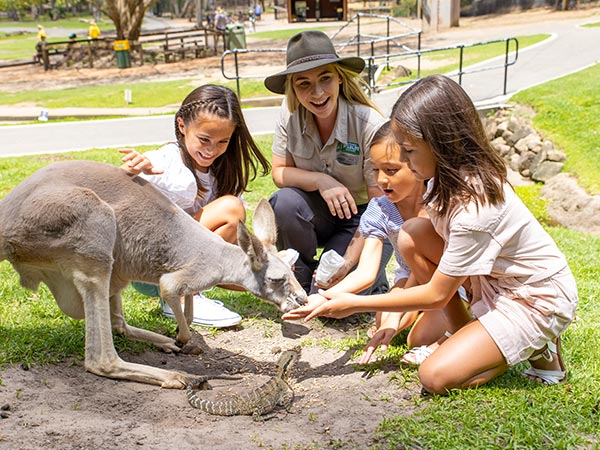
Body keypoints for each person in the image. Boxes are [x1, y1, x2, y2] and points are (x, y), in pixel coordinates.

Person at [287, 75, 578, 394]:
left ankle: (534, 345)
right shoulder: (437, 181)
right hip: (487, 283)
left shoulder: (473, 207)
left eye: (408, 151)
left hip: (533, 296)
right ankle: (477, 338)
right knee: (412, 234)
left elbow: (437, 293)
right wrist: (335, 296)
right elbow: (417, 271)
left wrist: (353, 303)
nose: (406, 163)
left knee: (434, 376)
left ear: (441, 143)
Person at [283, 121, 462, 364]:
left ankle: (458, 319)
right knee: (386, 321)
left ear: (415, 166)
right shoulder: (380, 209)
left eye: (391, 170)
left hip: (450, 280)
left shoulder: (436, 203)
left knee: (412, 335)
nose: (381, 180)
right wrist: (323, 297)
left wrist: (395, 316)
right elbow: (366, 272)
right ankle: (422, 316)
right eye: (375, 170)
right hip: (409, 278)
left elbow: (424, 272)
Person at [120, 84, 271, 328]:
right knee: (231, 210)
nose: (212, 150)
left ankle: (190, 292)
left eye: (223, 141)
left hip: (177, 261)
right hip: (149, 265)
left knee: (254, 269)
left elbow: (229, 245)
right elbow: (114, 196)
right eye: (204, 139)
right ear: (182, 125)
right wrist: (132, 172)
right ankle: (179, 298)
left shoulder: (221, 173)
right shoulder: (164, 160)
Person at [264, 30, 392, 297]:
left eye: (325, 78)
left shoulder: (369, 124)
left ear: (340, 79)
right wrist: (322, 181)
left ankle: (370, 278)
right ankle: (301, 272)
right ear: (292, 89)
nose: (318, 92)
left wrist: (347, 263)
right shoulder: (288, 116)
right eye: (304, 84)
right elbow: (279, 172)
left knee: (329, 297)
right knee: (284, 202)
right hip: (315, 214)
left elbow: (381, 206)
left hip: (363, 218)